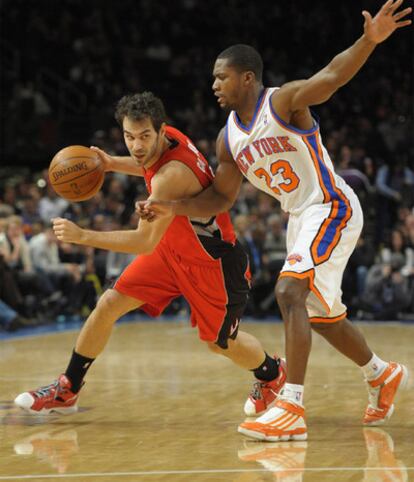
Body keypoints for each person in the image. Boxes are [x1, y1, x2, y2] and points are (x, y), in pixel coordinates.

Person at [138, 0, 412, 441]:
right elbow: (220, 199)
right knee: (322, 316)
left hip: (330, 205)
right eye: (212, 77)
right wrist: (171, 208)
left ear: (247, 77)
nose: (213, 84)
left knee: (288, 292)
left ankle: (292, 406)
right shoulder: (228, 138)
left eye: (221, 76)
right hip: (300, 218)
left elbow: (331, 77)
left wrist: (368, 40)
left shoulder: (282, 102)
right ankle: (381, 374)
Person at [14, 91, 287, 415]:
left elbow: (143, 242)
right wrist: (113, 163)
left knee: (221, 344)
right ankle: (68, 389)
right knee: (108, 304)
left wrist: (83, 235)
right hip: (171, 250)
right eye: (129, 137)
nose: (137, 146)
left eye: (144, 136)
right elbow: (146, 165)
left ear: (161, 130)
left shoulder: (170, 179)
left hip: (211, 262)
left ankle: (272, 374)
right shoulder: (168, 141)